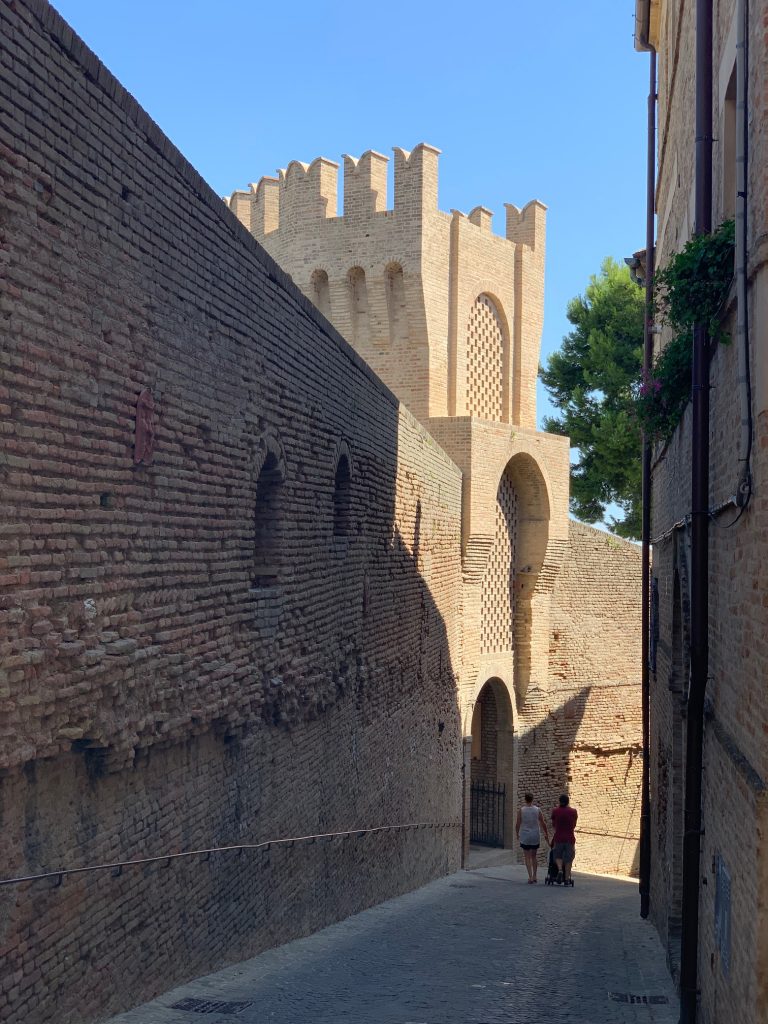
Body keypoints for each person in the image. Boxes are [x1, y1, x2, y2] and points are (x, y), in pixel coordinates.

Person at [515, 793, 550, 883]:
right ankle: (535, 876)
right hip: (535, 834)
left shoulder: (521, 810)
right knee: (534, 856)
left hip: (525, 835)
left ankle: (530, 877)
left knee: (527, 856)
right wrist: (546, 833)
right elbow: (543, 822)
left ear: (525, 799)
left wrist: (517, 833)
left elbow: (518, 823)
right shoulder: (537, 810)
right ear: (532, 799)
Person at [550, 793, 578, 885]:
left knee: (557, 855)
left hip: (558, 837)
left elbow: (553, 824)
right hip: (570, 838)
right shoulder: (573, 811)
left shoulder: (555, 811)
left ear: (559, 801)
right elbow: (574, 825)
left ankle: (560, 870)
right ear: (568, 802)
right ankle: (566, 879)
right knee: (569, 858)